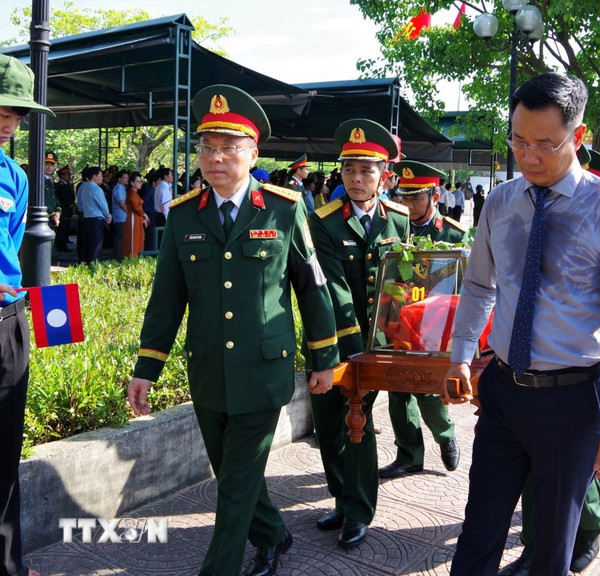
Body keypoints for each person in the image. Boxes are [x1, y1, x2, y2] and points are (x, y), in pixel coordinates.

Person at [442, 72, 600, 575]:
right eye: (518, 140)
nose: (528, 155)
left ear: (578, 137)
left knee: (551, 545)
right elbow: (479, 286)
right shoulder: (499, 202)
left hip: (573, 398)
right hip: (502, 390)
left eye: (545, 143)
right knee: (479, 529)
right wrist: (460, 353)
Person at [127, 84, 340, 576]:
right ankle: (272, 533)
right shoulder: (183, 216)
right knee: (232, 474)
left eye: (228, 148)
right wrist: (146, 369)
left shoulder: (285, 209)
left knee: (238, 480)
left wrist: (325, 359)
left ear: (252, 153)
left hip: (263, 371)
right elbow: (166, 300)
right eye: (207, 147)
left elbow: (312, 287)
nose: (215, 157)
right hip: (208, 371)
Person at [307, 118, 410, 549]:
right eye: (349, 169)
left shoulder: (399, 220)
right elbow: (332, 290)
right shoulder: (324, 221)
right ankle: (342, 496)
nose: (355, 178)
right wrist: (351, 355)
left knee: (358, 422)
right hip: (332, 343)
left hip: (377, 347)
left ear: (384, 175)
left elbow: (402, 283)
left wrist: (397, 338)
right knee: (327, 425)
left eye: (366, 170)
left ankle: (358, 509)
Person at [0, 52, 53, 576]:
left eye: (16, 114)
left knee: (4, 449)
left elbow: (13, 253)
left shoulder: (14, 175)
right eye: (1, 110)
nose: (7, 123)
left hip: (5, 322)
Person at [379, 160, 466, 480]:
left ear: (435, 196)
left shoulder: (454, 233)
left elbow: (462, 283)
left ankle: (445, 436)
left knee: (428, 389)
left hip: (434, 326)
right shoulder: (393, 226)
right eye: (404, 197)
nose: (408, 204)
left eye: (416, 198)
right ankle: (408, 454)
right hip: (396, 322)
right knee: (397, 391)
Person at [78, 166, 111, 263]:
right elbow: (103, 205)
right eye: (100, 176)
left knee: (89, 245)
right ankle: (94, 266)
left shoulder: (84, 187)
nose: (102, 178)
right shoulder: (96, 189)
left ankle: (88, 264)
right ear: (94, 177)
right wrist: (107, 215)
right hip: (96, 220)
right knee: (96, 247)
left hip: (87, 218)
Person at [122, 171, 148, 259]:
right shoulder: (131, 193)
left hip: (137, 219)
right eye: (137, 181)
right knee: (133, 241)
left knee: (138, 240)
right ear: (132, 183)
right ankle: (132, 259)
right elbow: (136, 207)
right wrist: (144, 215)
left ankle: (136, 259)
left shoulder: (135, 193)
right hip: (133, 218)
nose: (140, 183)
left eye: (141, 181)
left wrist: (143, 217)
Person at [54, 164, 75, 251]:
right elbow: (65, 198)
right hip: (64, 210)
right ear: (62, 175)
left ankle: (64, 243)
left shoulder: (67, 184)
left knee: (66, 227)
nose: (69, 176)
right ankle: (61, 245)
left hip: (67, 211)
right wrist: (71, 205)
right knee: (62, 228)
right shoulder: (61, 185)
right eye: (67, 174)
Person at [110, 169, 129, 262]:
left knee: (121, 238)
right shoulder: (118, 188)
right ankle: (117, 258)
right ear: (119, 179)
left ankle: (119, 256)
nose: (127, 179)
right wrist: (129, 212)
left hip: (122, 217)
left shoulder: (122, 188)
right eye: (125, 178)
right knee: (120, 238)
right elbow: (121, 203)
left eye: (127, 177)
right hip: (120, 217)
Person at [43, 151, 61, 234]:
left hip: (52, 220)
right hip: (44, 220)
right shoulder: (39, 180)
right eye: (46, 164)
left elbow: (55, 199)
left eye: (52, 165)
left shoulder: (49, 181)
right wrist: (52, 214)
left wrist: (58, 212)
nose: (49, 167)